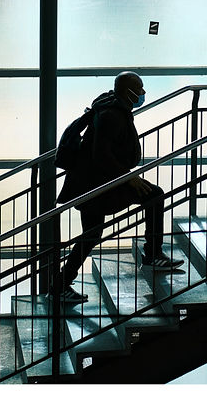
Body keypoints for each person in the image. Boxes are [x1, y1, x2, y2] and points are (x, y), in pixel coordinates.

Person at [51, 71, 183, 303]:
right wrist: (129, 178)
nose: (143, 93)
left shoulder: (112, 108)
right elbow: (101, 155)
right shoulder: (112, 115)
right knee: (154, 195)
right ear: (127, 91)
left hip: (92, 182)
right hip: (98, 185)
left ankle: (60, 286)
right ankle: (153, 254)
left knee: (91, 234)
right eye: (139, 88)